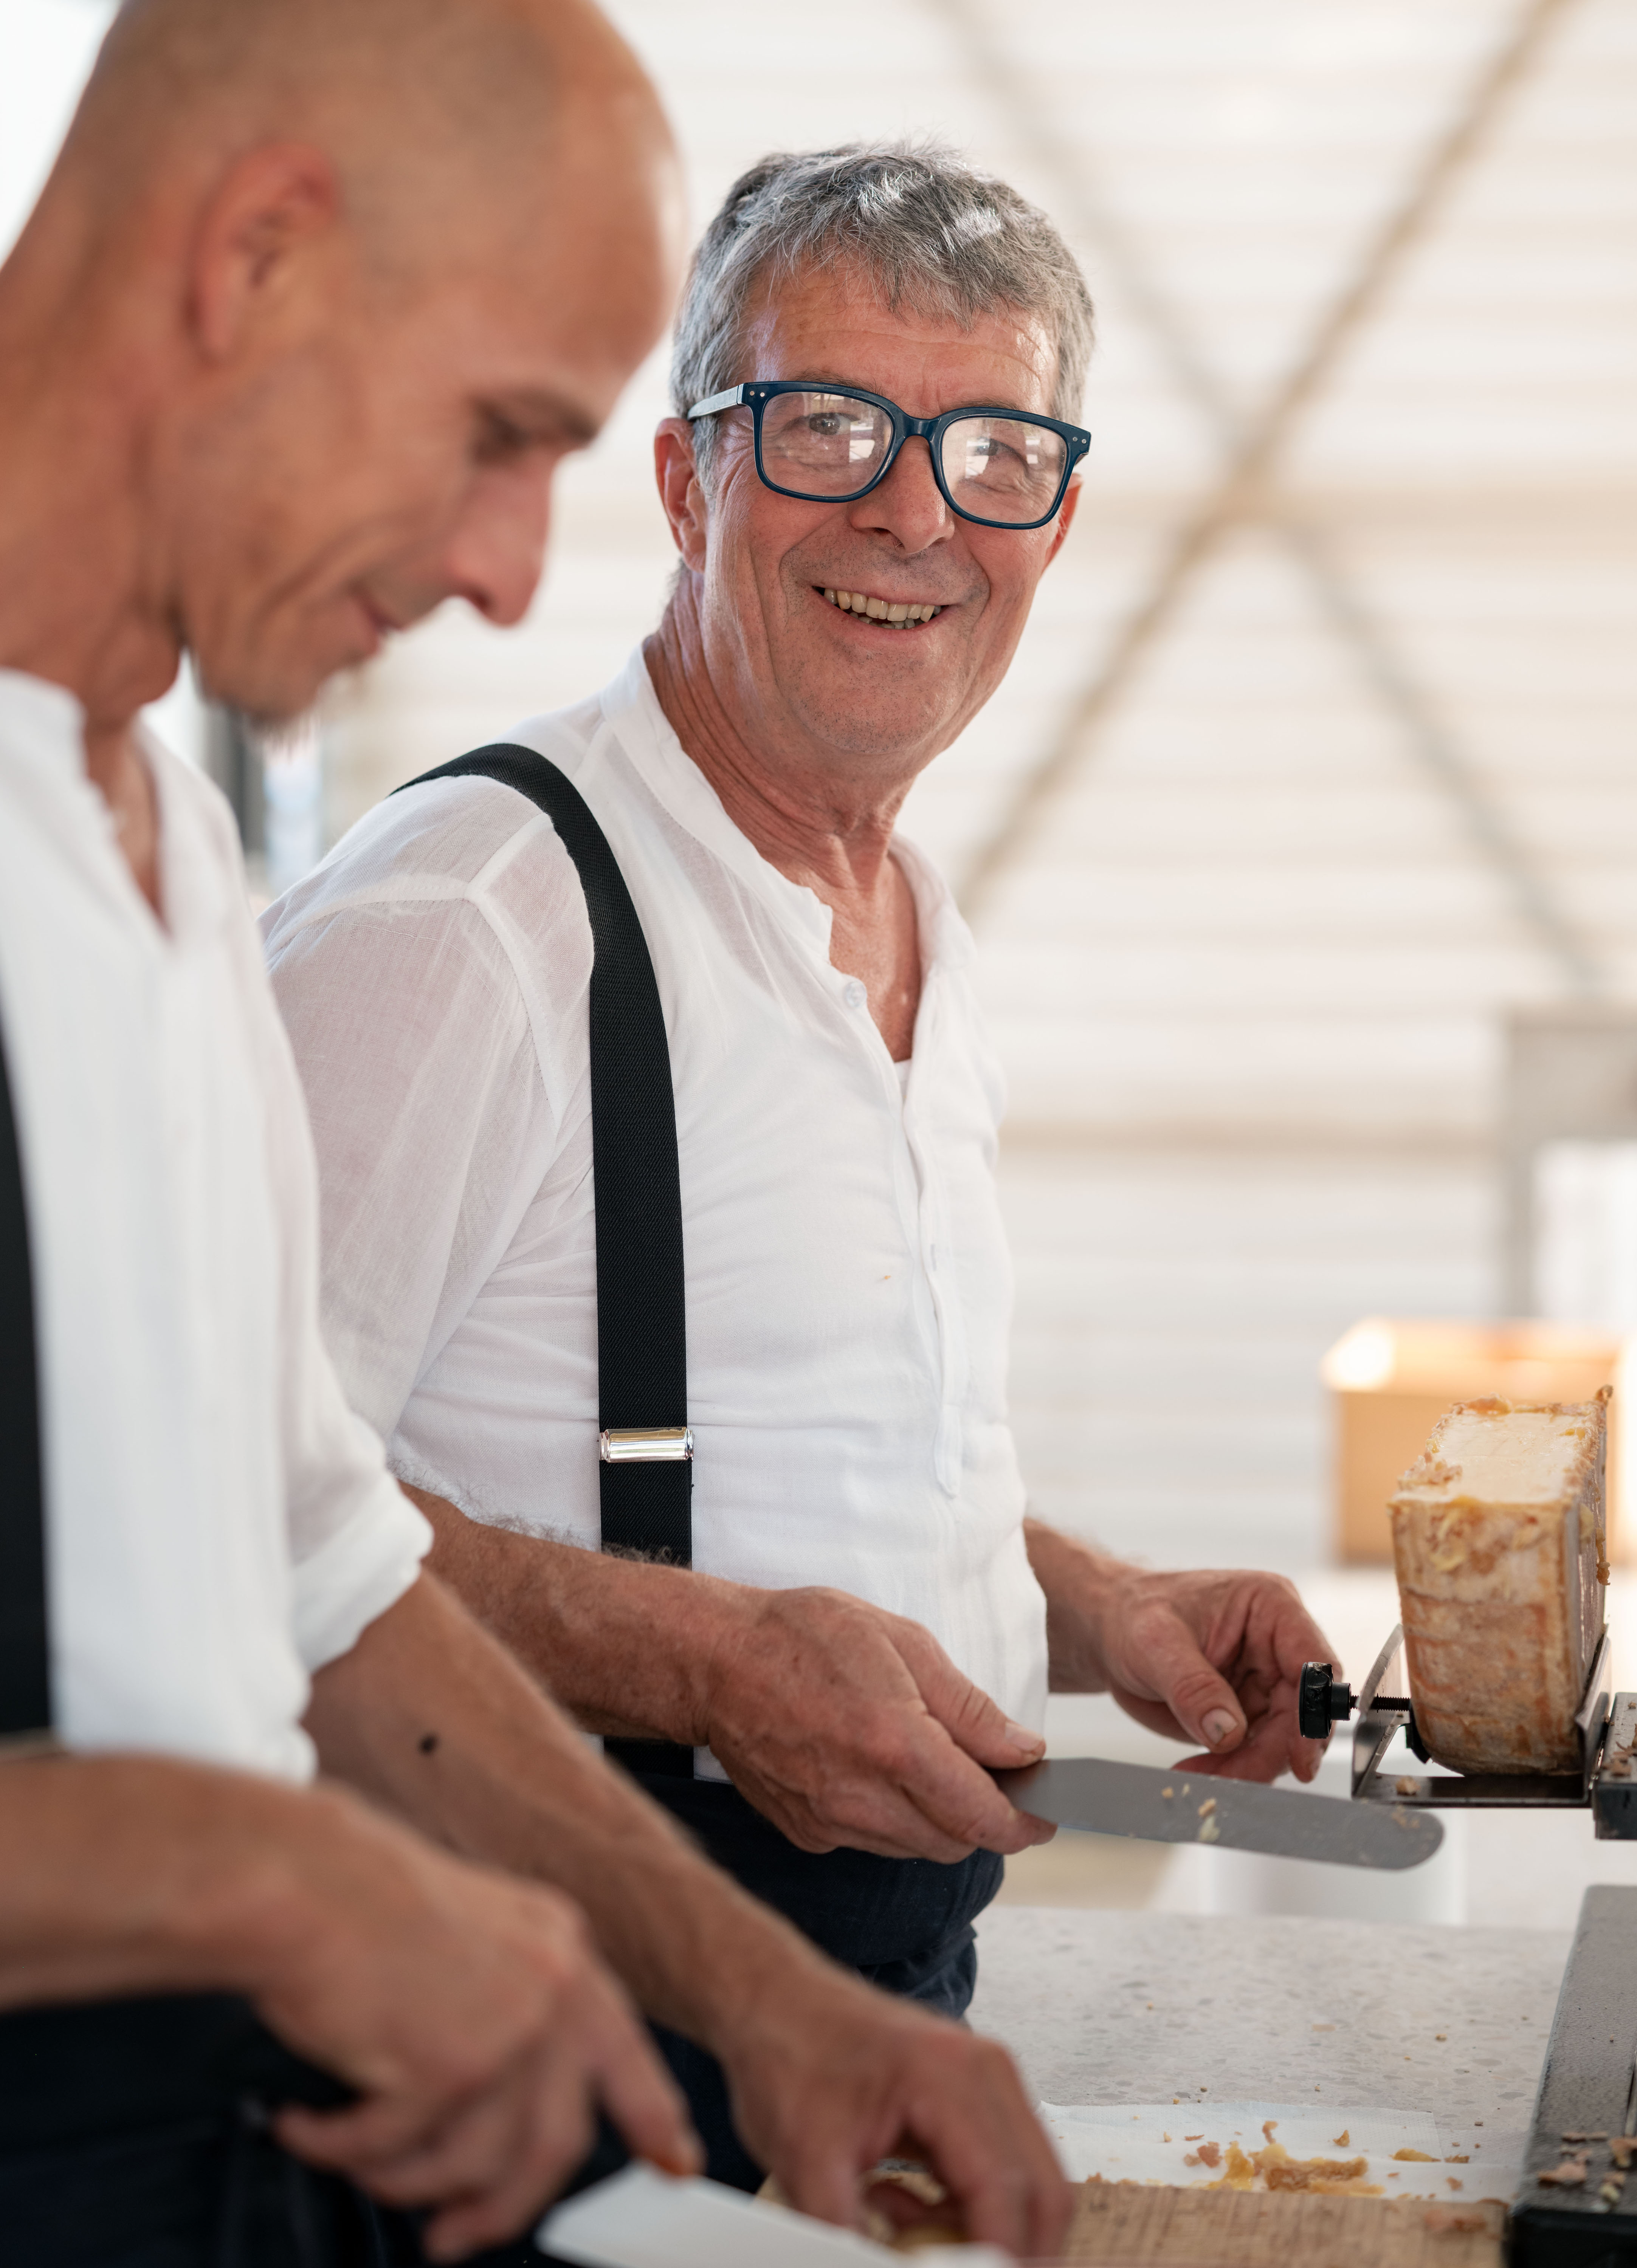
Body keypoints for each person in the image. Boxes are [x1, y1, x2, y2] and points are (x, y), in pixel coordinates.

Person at [0, 11, 1068, 2260]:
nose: (507, 574)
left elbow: (318, 1562)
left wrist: (763, 2002)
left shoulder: (154, 854)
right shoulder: (451, 902)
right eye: (499, 435)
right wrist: (273, 1882)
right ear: (256, 255)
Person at [264, 142, 1339, 2191]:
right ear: (690, 480)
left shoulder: (917, 916)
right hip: (522, 2063)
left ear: (1055, 520)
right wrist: (701, 1664)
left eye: (992, 450)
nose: (913, 514)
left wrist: (1089, 1604)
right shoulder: (473, 917)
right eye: (831, 425)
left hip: (872, 2013)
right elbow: (211, 1512)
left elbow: (800, 1442)